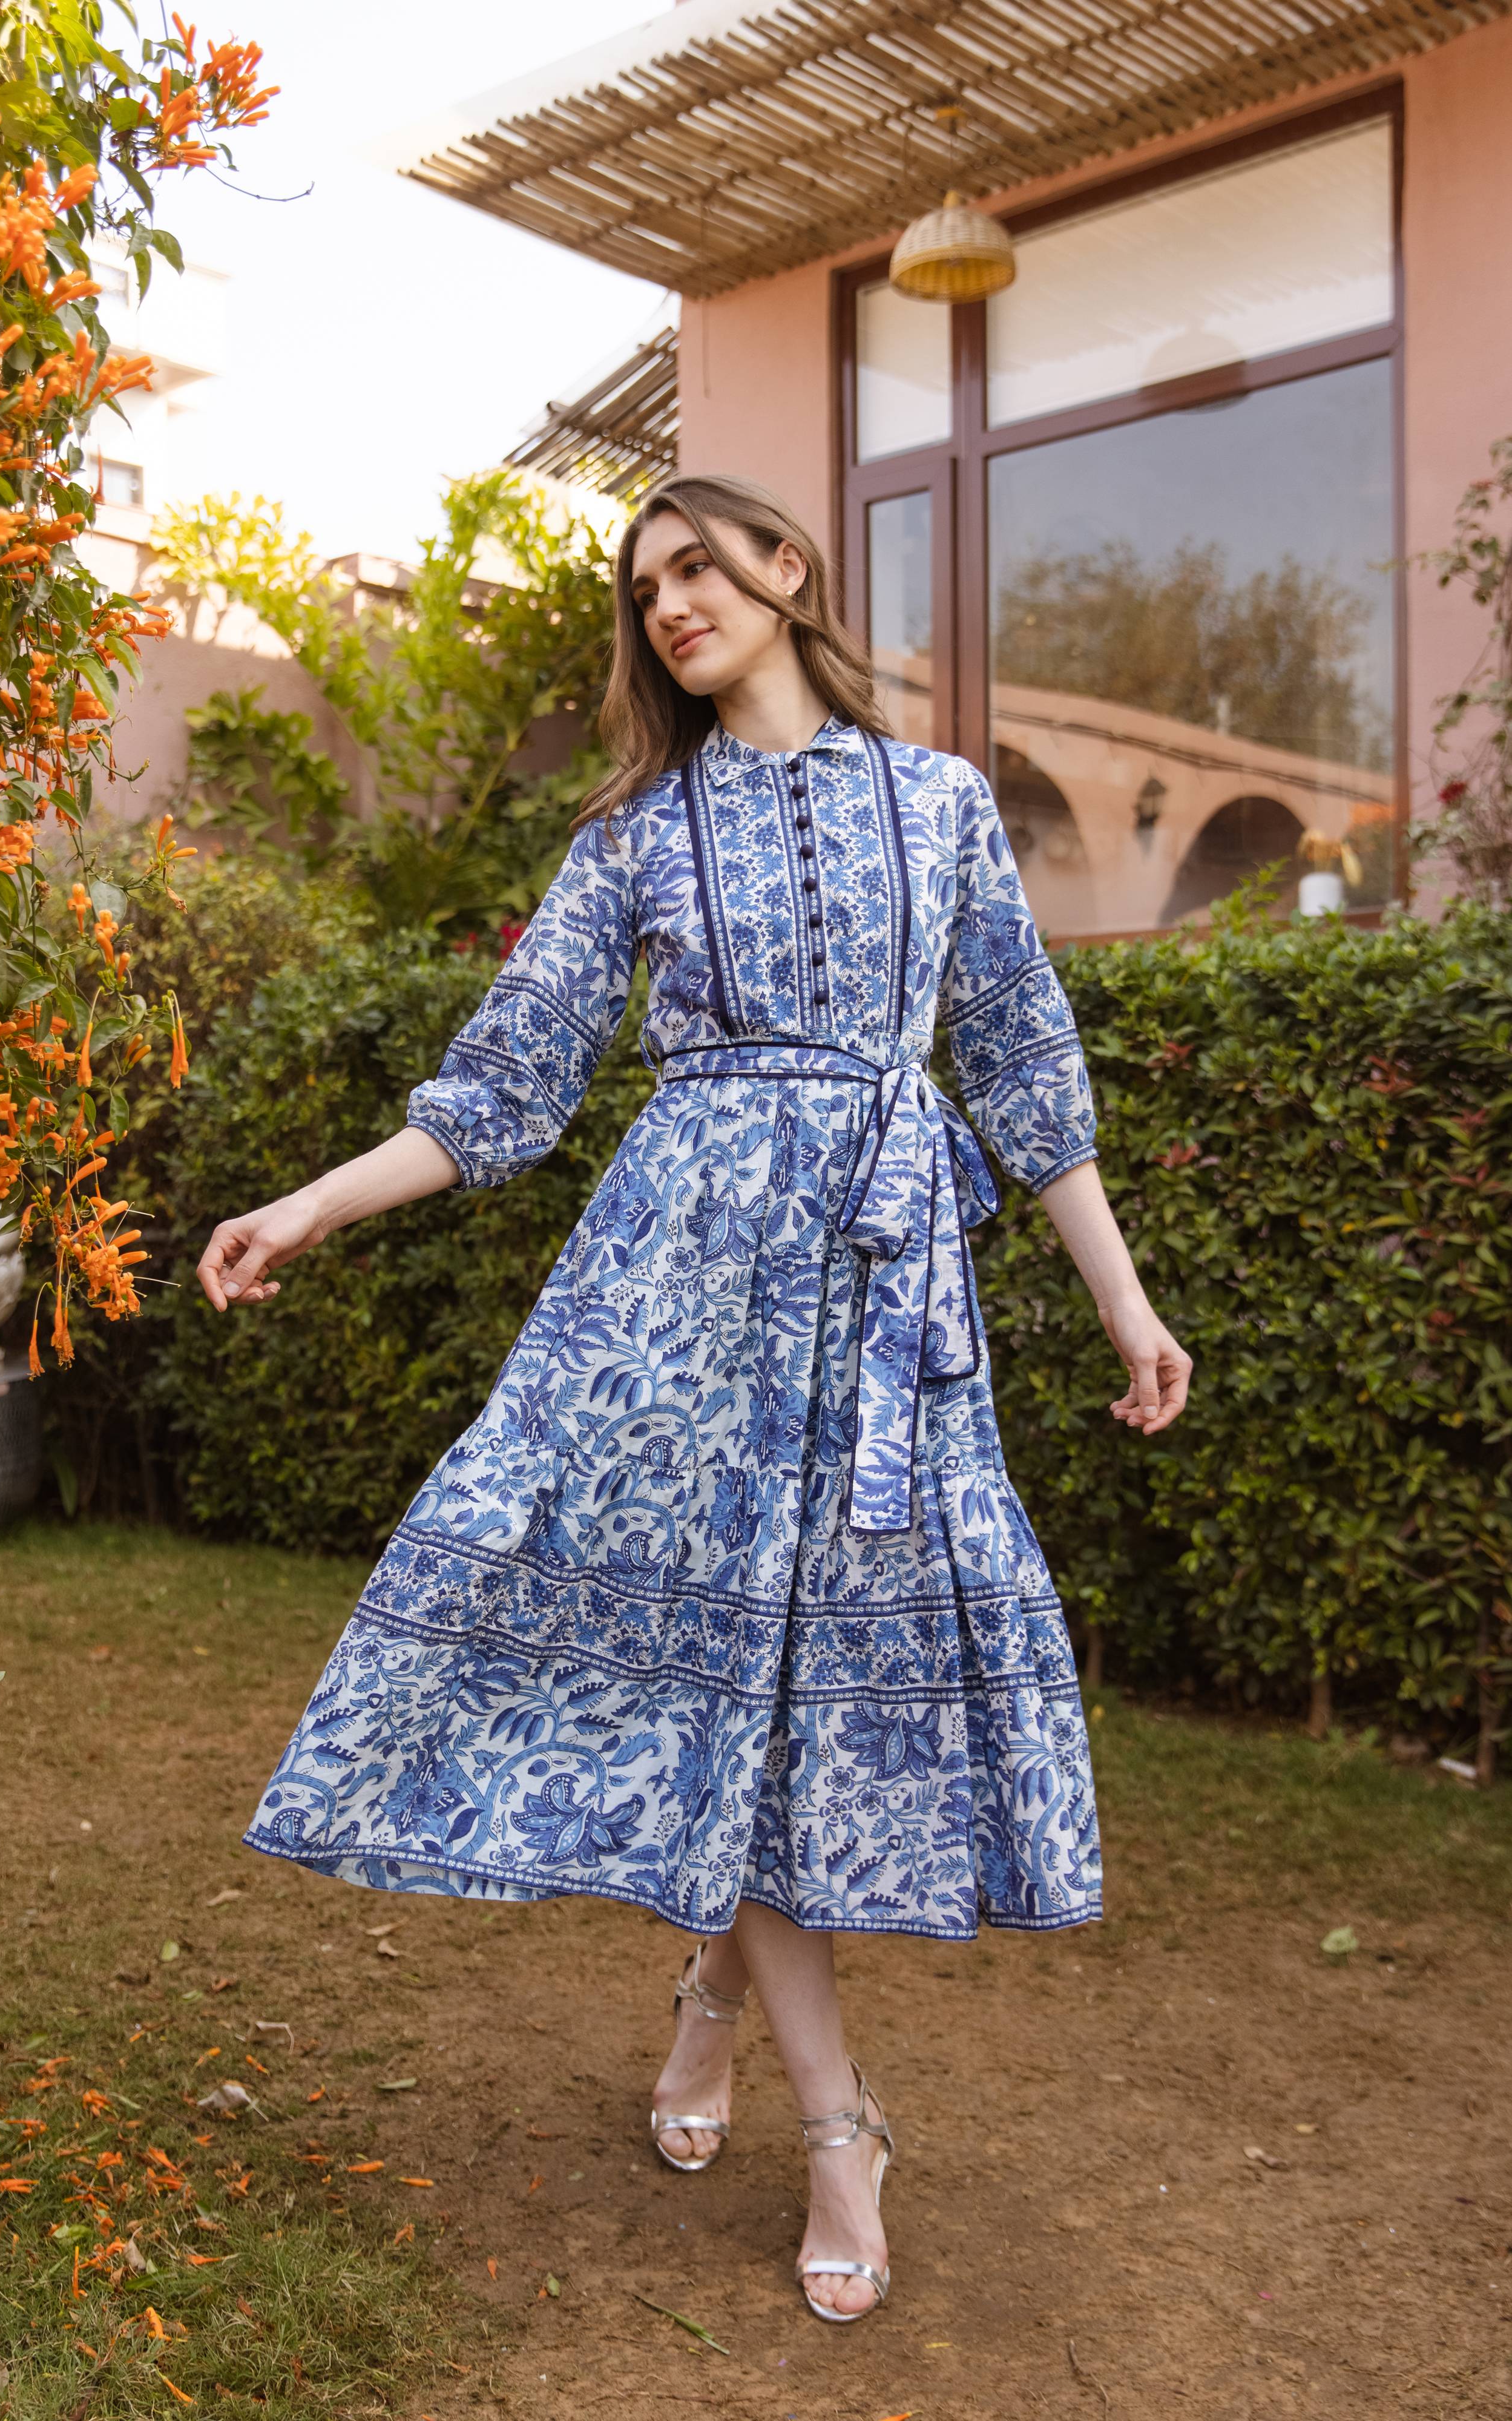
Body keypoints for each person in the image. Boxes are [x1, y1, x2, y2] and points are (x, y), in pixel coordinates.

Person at [199, 473, 1191, 2324]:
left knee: (805, 1686)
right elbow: (499, 1089)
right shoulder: (636, 833)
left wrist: (1125, 1308)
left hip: (877, 1304)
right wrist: (310, 1205)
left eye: (694, 568)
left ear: (782, 570)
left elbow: (1024, 1072)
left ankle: (712, 1998)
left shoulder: (939, 804)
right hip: (666, 1317)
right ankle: (841, 2120)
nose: (667, 605)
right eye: (641, 585)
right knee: (705, 1681)